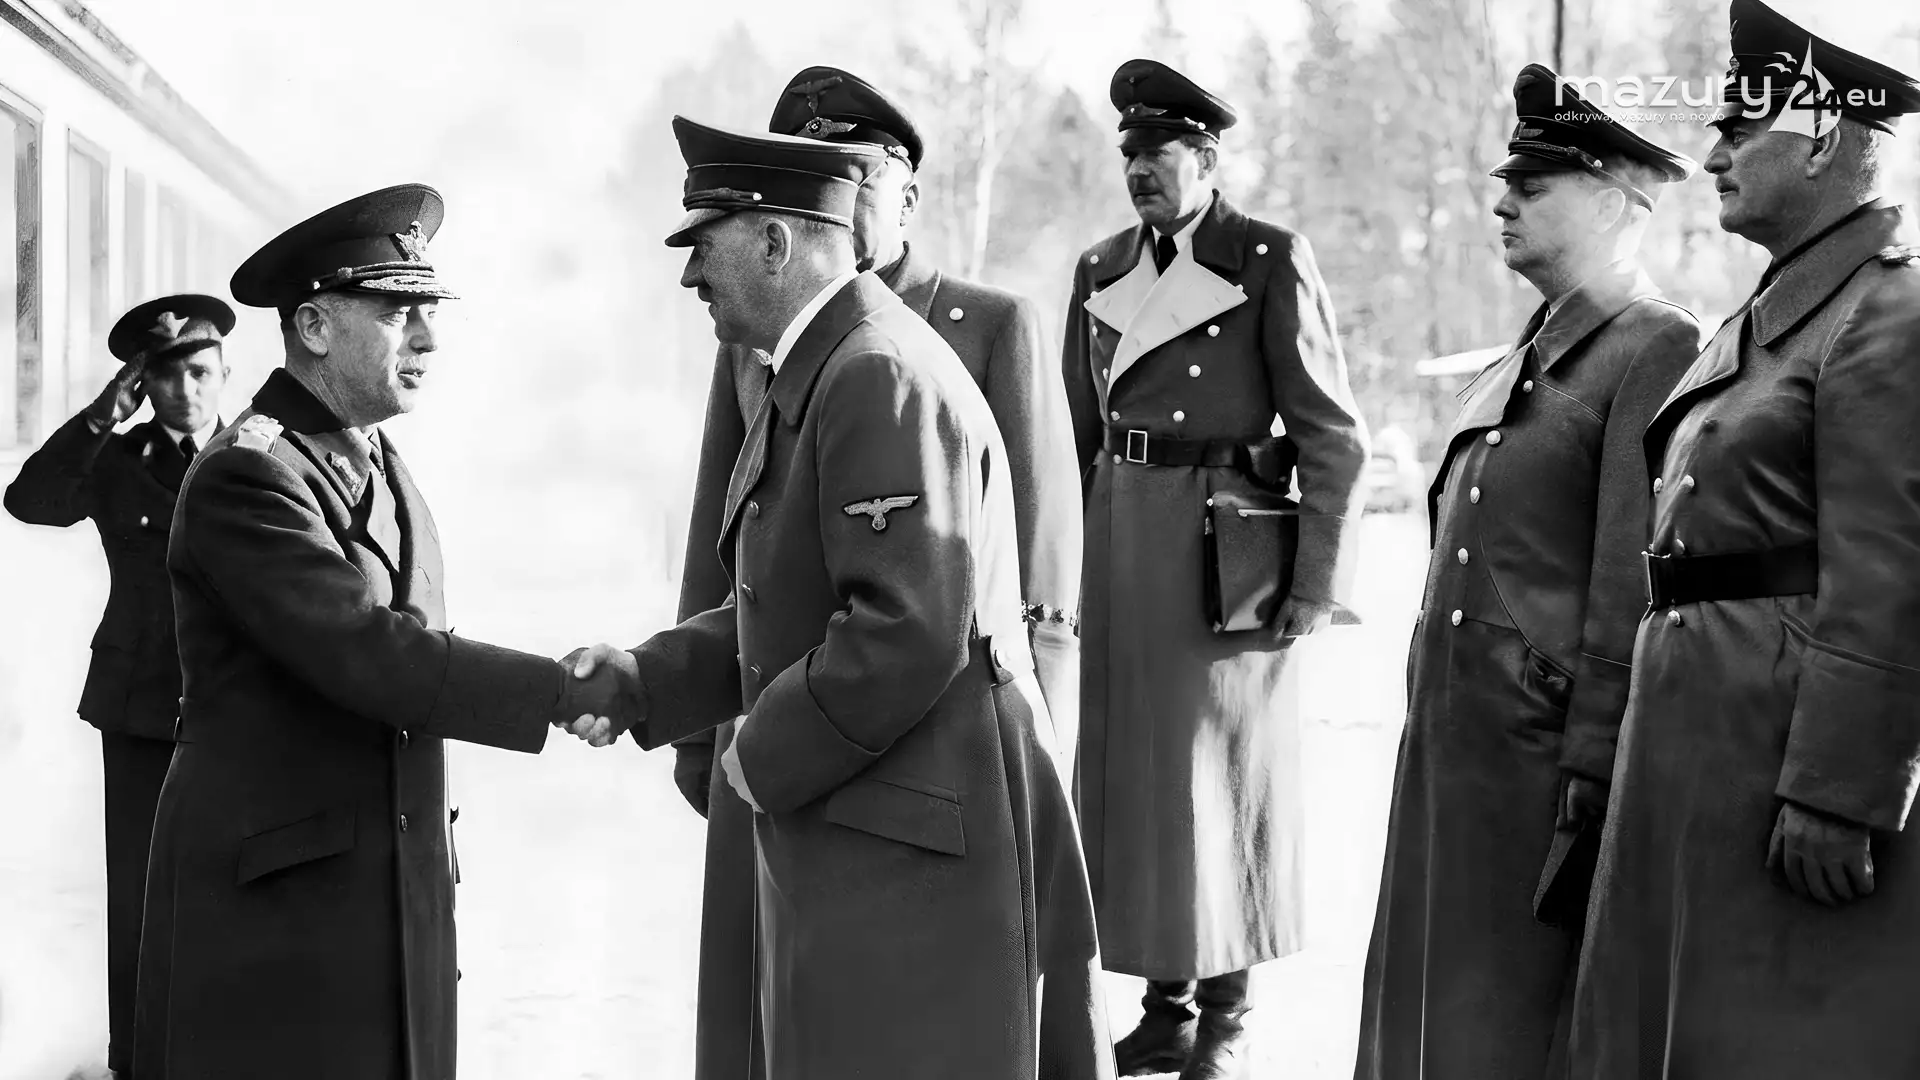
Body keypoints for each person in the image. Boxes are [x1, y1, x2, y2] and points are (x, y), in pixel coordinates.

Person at [563, 116, 1107, 1079]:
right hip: (875, 822)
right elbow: (787, 599)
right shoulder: (825, 368)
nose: (689, 277)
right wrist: (646, 680)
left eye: (705, 245)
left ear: (776, 242)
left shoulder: (874, 374)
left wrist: (756, 757)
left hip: (910, 842)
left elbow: (902, 629)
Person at [128, 184, 625, 1080]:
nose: (428, 340)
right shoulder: (248, 477)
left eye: (429, 314)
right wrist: (561, 691)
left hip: (386, 900)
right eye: (399, 314)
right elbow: (368, 652)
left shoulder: (377, 459)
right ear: (315, 326)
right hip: (279, 915)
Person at [1568, 1, 1920, 1075]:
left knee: (1770, 1033)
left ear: (1821, 140)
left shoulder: (1889, 311)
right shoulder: (1775, 312)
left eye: (1740, 127)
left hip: (1777, 749)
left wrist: (1839, 787)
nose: (1713, 152)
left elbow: (1892, 568)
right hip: (1699, 732)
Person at [1353, 64, 1700, 1080]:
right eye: (1506, 184)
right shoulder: (1536, 346)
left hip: (1538, 761)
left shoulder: (1655, 343)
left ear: (1611, 203)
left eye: (1533, 187)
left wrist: (1592, 765)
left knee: (1508, 1014)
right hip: (1455, 743)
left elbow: (1631, 572)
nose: (1502, 202)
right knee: (1433, 998)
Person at [1061, 58, 1368, 1078]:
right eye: (1130, 155)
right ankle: (1167, 1006)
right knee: (1141, 782)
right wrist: (1052, 567)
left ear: (1207, 158)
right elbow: (1071, 434)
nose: (1139, 171)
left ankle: (1226, 1014)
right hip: (1120, 542)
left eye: (1160, 153)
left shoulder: (1268, 257)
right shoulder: (1099, 266)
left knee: (1219, 782)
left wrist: (1316, 582)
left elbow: (1332, 434)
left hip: (1222, 552)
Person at [3, 293, 236, 1078]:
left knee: (237, 877)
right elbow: (30, 501)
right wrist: (102, 415)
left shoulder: (253, 455)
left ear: (224, 374)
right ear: (142, 384)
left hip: (239, 702)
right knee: (138, 888)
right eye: (165, 376)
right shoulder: (116, 461)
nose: (185, 390)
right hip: (140, 701)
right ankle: (136, 1058)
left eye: (199, 372)